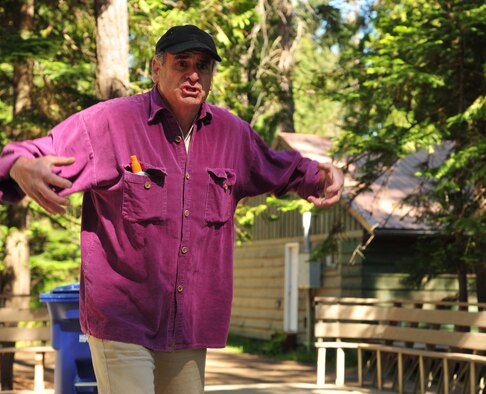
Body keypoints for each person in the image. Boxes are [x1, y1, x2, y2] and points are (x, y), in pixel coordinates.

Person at [0, 25, 343, 393]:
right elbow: (31, 152)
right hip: (122, 321)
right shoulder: (111, 122)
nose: (194, 74)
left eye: (203, 66)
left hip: (190, 325)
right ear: (156, 68)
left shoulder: (233, 134)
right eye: (182, 63)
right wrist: (18, 166)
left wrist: (320, 177)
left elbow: (280, 167)